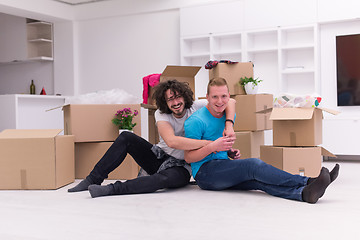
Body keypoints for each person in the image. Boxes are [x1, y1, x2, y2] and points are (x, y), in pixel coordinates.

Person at [68, 79, 236, 198]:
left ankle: (111, 189)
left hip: (183, 166)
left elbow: (231, 101)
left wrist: (229, 124)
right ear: (165, 102)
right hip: (159, 158)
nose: (175, 102)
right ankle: (93, 178)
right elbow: (172, 141)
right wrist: (211, 144)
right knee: (126, 136)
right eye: (170, 99)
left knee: (162, 180)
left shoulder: (196, 106)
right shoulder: (161, 113)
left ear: (185, 97)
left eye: (178, 97)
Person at [184, 77, 340, 204]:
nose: (220, 101)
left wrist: (228, 151)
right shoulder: (195, 121)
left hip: (222, 166)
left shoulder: (228, 116)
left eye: (224, 96)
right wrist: (213, 147)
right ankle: (309, 181)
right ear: (207, 98)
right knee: (254, 165)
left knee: (257, 181)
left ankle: (304, 193)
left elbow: (217, 146)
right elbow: (189, 157)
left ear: (229, 96)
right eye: (215, 97)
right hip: (205, 174)